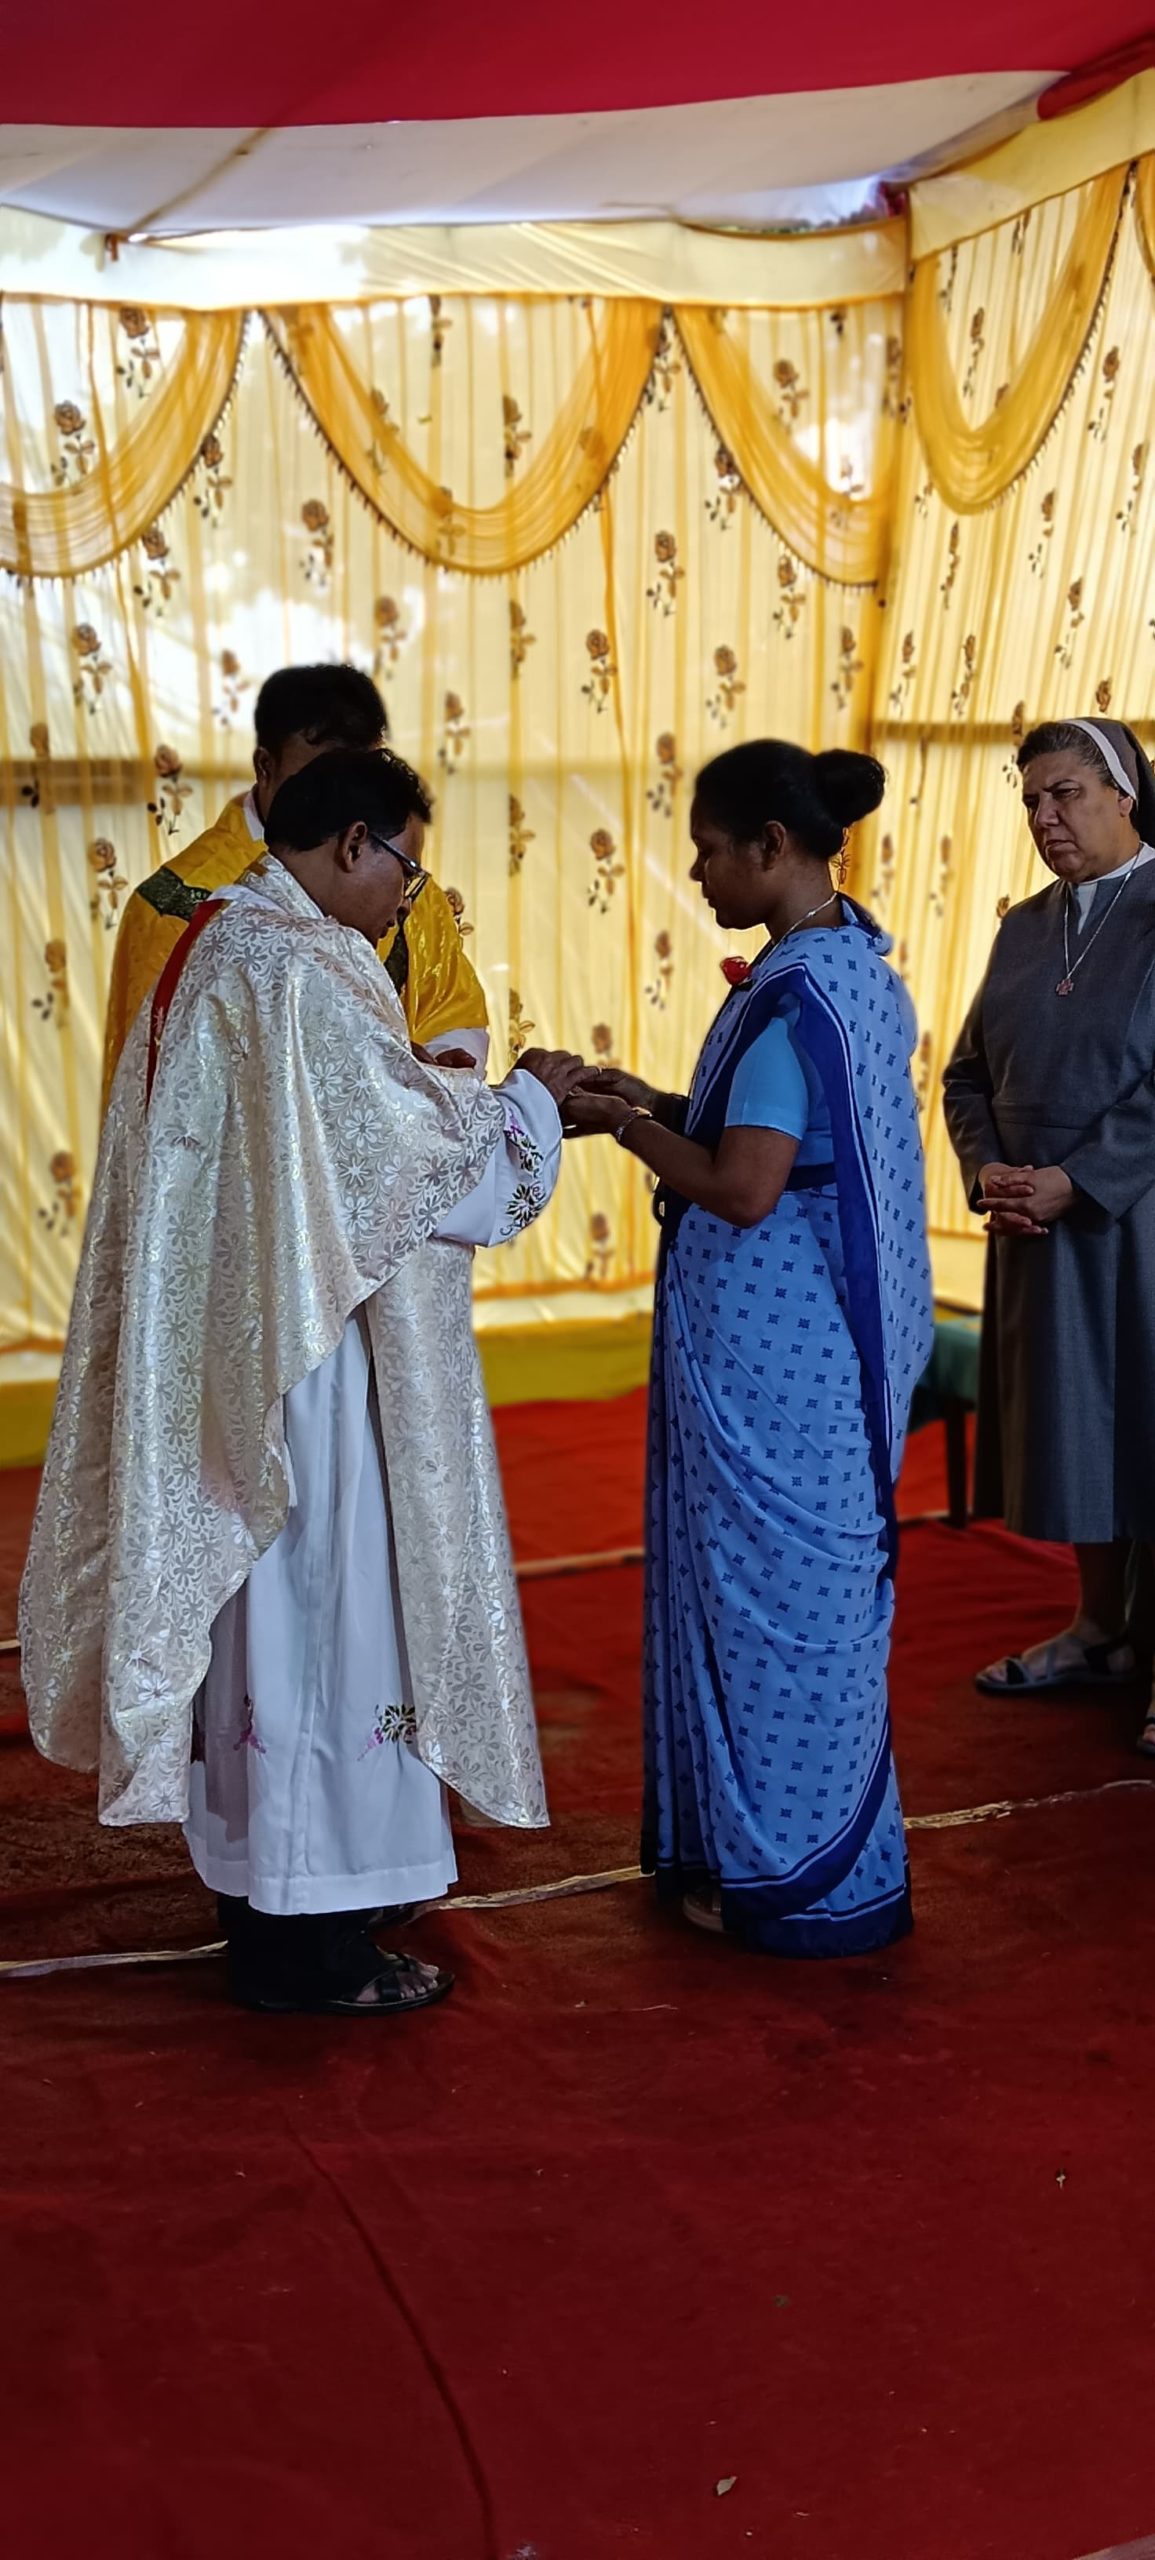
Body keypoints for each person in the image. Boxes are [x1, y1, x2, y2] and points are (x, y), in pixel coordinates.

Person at [21, 749, 586, 2015]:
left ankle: (267, 1899)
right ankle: (313, 1940)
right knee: (328, 1628)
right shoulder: (299, 967)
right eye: (405, 867)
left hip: (239, 1351)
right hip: (307, 1368)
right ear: (351, 843)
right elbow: (415, 1165)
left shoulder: (213, 941)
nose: (409, 895)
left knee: (264, 1640)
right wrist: (533, 1106)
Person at [565, 741, 933, 1955]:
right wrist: (652, 1099)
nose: (697, 871)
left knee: (776, 1611)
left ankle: (790, 1874)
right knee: (796, 1607)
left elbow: (743, 1185)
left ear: (773, 847)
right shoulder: (849, 968)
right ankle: (805, 1861)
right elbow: (765, 1140)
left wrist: (617, 1123)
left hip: (778, 1373)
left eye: (711, 849)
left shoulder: (794, 998)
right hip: (805, 1355)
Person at [943, 716, 1155, 1750]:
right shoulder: (1024, 925)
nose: (1043, 816)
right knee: (1077, 1431)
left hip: (1139, 1217)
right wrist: (989, 1169)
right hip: (1036, 1224)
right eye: (1030, 799)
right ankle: (1102, 1630)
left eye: (1064, 793)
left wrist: (1082, 1178)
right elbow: (965, 1073)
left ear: (1123, 795)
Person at [99, 662, 488, 1114]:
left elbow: (451, 1011)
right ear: (265, 766)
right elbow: (165, 1094)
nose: (343, 801)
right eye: (320, 778)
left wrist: (426, 1071)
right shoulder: (175, 905)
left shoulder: (405, 891)